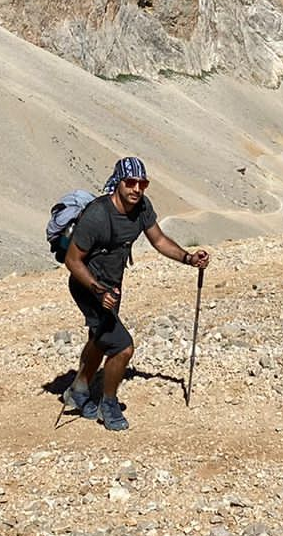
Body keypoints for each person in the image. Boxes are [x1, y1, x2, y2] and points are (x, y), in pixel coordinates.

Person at [60, 156, 211, 433]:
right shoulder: (97, 215)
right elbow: (72, 261)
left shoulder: (142, 208)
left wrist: (189, 258)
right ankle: (109, 403)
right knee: (123, 346)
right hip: (88, 287)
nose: (137, 189)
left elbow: (159, 240)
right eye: (131, 182)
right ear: (118, 182)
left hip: (112, 287)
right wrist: (97, 289)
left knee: (101, 338)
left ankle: (80, 389)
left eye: (143, 183)